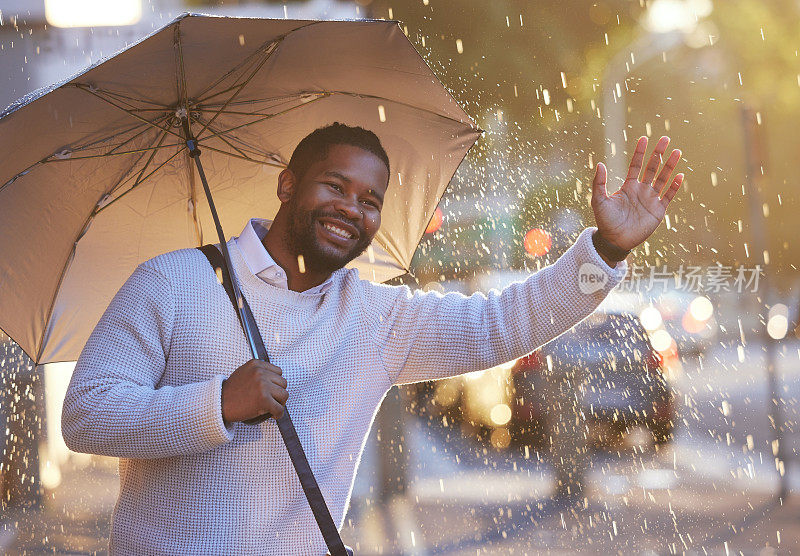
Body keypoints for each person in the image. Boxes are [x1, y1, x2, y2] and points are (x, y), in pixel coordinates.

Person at [61, 123, 683, 554]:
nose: (351, 209)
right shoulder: (171, 282)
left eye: (370, 200)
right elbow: (87, 417)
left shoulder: (374, 318)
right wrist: (218, 403)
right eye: (334, 186)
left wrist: (603, 249)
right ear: (287, 185)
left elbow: (500, 324)